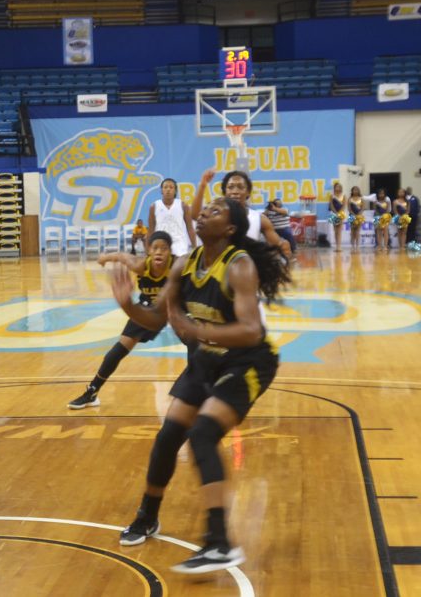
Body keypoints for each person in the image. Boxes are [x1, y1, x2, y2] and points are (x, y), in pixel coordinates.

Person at [112, 197, 291, 574]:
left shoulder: (239, 266)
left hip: (247, 361)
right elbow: (155, 317)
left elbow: (250, 330)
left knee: (203, 434)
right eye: (204, 208)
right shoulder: (184, 263)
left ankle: (219, 543)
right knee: (168, 436)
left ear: (229, 229)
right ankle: (147, 516)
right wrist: (127, 305)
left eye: (215, 211)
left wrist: (194, 329)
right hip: (205, 360)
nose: (204, 212)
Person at [68, 232, 174, 410]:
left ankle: (204, 392)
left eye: (164, 248)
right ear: (148, 250)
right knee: (116, 352)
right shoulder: (141, 265)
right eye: (155, 247)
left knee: (196, 346)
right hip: (147, 309)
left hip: (174, 309)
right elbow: (122, 256)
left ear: (170, 252)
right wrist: (104, 258)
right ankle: (92, 392)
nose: (159, 252)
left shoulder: (177, 266)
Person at [189, 168, 292, 260]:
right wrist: (203, 185)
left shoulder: (259, 219)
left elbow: (278, 247)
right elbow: (195, 215)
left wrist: (283, 247)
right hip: (217, 271)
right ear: (225, 192)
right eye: (230, 187)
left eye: (240, 187)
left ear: (248, 192)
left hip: (245, 272)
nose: (235, 192)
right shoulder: (215, 214)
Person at [147, 178, 196, 258]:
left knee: (179, 269)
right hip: (161, 245)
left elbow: (190, 228)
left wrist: (195, 247)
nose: (168, 190)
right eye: (165, 187)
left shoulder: (183, 205)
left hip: (180, 245)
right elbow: (150, 230)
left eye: (171, 187)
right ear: (161, 190)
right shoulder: (154, 206)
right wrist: (148, 249)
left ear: (175, 191)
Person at [328, 182, 345, 250]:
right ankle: (336, 245)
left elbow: (344, 205)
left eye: (339, 187)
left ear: (341, 188)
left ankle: (339, 246)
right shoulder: (332, 196)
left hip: (341, 214)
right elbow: (331, 205)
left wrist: (340, 213)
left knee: (339, 230)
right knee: (335, 230)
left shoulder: (343, 195)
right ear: (334, 188)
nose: (337, 188)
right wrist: (335, 212)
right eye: (336, 187)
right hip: (333, 214)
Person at [348, 186, 365, 250]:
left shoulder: (361, 198)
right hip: (352, 216)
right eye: (354, 190)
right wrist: (353, 214)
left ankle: (357, 245)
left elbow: (363, 207)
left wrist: (359, 213)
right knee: (352, 231)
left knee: (358, 231)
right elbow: (349, 208)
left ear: (359, 191)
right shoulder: (350, 199)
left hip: (359, 216)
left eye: (357, 190)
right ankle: (352, 245)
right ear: (352, 191)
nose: (355, 191)